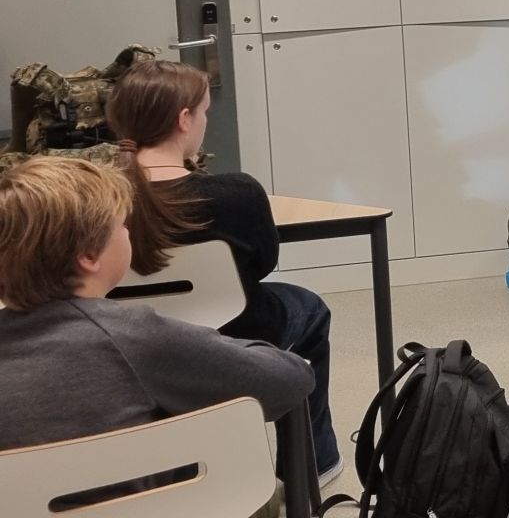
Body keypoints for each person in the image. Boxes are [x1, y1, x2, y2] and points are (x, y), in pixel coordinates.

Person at [0, 157, 314, 478]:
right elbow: (288, 381)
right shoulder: (130, 335)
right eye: (123, 225)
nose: (129, 233)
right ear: (89, 257)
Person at [106, 59, 340, 482]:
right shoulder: (235, 194)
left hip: (122, 343)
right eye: (205, 113)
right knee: (308, 308)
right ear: (183, 119)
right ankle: (311, 465)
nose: (204, 123)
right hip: (230, 339)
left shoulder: (91, 198)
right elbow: (263, 265)